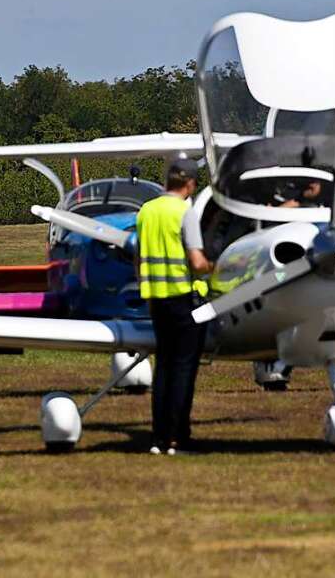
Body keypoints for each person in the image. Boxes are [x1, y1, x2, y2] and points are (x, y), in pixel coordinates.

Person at [136, 158, 214, 456]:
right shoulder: (185, 212)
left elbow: (138, 258)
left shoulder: (146, 210)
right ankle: (178, 439)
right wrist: (214, 267)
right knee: (183, 370)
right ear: (190, 184)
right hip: (184, 299)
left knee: (164, 369)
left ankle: (158, 439)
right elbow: (196, 262)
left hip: (155, 299)